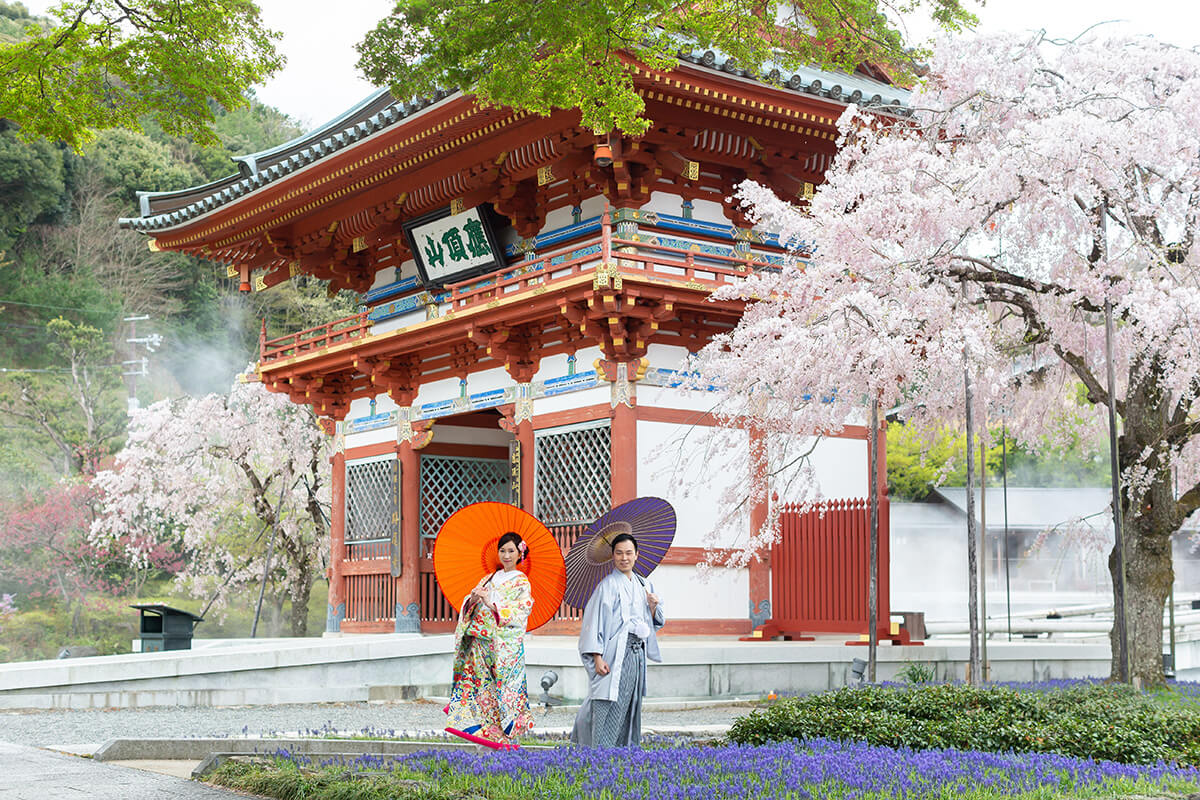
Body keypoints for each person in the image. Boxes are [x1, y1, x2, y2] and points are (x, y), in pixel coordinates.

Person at [570, 532, 665, 747]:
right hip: (613, 653)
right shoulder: (607, 585)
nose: (624, 558)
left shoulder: (644, 585)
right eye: (619, 553)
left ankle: (625, 748)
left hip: (636, 653)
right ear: (612, 555)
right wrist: (596, 657)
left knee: (630, 701)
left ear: (636, 555)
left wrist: (652, 607)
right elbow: (593, 623)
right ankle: (600, 749)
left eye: (629, 553)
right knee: (606, 700)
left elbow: (653, 623)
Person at [444, 531, 535, 747]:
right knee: (482, 687)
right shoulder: (489, 577)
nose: (506, 555)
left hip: (503, 646)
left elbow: (520, 611)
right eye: (502, 550)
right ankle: (484, 732)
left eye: (511, 550)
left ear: (520, 553)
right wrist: (473, 598)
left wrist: (492, 603)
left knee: (504, 689)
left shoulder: (522, 582)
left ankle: (507, 738)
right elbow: (469, 604)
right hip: (480, 642)